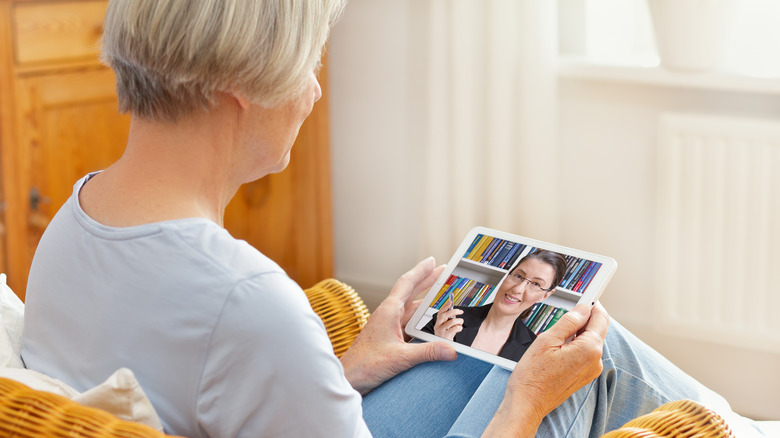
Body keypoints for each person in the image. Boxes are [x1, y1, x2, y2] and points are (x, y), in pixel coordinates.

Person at [19, 1, 772, 437]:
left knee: (522, 338)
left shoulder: (77, 218)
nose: (314, 93)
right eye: (308, 65)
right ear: (239, 89)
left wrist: (346, 371)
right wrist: (528, 405)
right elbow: (232, 340)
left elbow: (198, 394)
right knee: (577, 358)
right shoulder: (245, 300)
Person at [422, 250, 567, 361]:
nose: (518, 289)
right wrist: (439, 345)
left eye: (536, 284)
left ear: (545, 295)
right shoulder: (448, 319)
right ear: (507, 275)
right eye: (518, 276)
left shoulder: (534, 351)